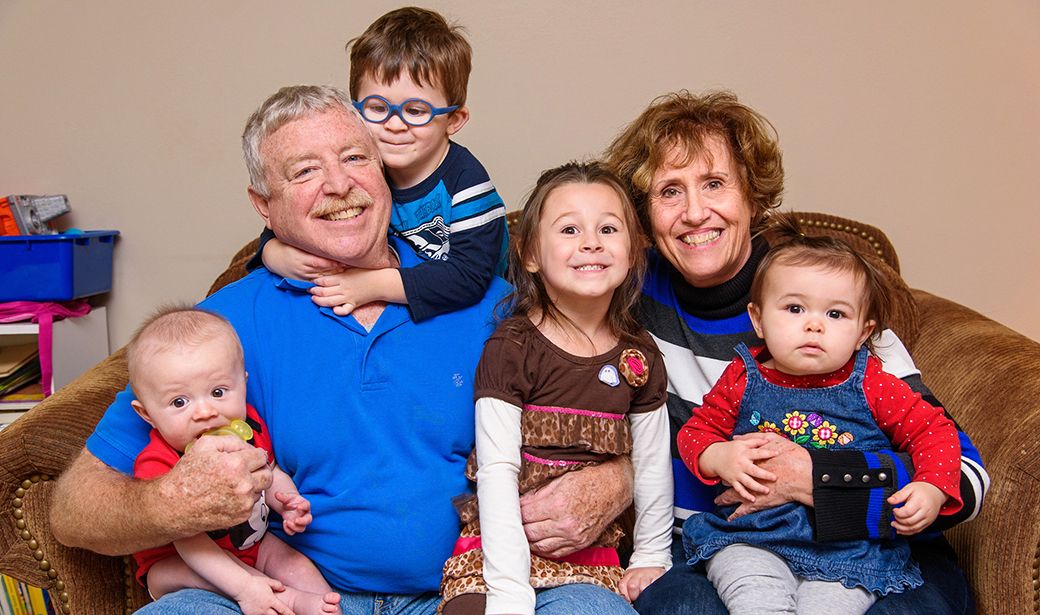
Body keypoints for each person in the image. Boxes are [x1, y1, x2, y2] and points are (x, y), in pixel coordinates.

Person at [49, 84, 555, 615]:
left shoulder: (483, 298)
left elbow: (595, 399)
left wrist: (611, 480)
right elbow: (74, 510)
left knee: (588, 608)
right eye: (304, 171)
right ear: (263, 206)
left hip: (479, 589)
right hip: (295, 596)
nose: (339, 185)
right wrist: (173, 501)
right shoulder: (219, 326)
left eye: (355, 157)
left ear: (383, 171)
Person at [599, 90, 988, 615]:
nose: (694, 213)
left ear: (754, 198)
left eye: (715, 184)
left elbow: (964, 473)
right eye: (670, 191)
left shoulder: (820, 300)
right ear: (645, 214)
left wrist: (818, 479)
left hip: (864, 550)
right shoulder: (625, 296)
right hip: (720, 545)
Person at [678, 213, 962, 614]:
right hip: (751, 539)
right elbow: (696, 431)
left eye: (835, 314)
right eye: (794, 309)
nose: (814, 326)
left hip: (849, 551)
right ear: (758, 319)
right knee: (753, 601)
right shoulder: (743, 377)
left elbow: (933, 430)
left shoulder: (874, 383)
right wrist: (718, 455)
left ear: (864, 332)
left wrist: (932, 486)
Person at [439, 162, 673, 615]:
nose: (591, 242)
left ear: (632, 251)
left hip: (590, 564)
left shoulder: (640, 357)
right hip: (492, 562)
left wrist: (651, 556)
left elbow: (651, 463)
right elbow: (497, 470)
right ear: (530, 255)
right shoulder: (512, 347)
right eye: (569, 229)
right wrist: (509, 592)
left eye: (608, 228)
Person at [256, 6, 508, 323]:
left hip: (473, 316)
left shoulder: (467, 180)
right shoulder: (361, 174)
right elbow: (295, 217)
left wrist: (370, 285)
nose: (395, 124)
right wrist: (273, 252)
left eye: (416, 111)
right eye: (377, 107)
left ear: (453, 120)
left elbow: (469, 278)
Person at [127, 307, 340, 615]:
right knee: (209, 574)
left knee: (294, 563)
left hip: (251, 544)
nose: (205, 412)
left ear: (243, 382)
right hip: (180, 559)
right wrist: (244, 587)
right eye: (179, 402)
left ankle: (325, 605)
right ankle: (289, 601)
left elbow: (269, 471)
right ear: (147, 413)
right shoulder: (158, 464)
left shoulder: (248, 427)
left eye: (218, 392)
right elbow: (189, 543)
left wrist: (288, 501)